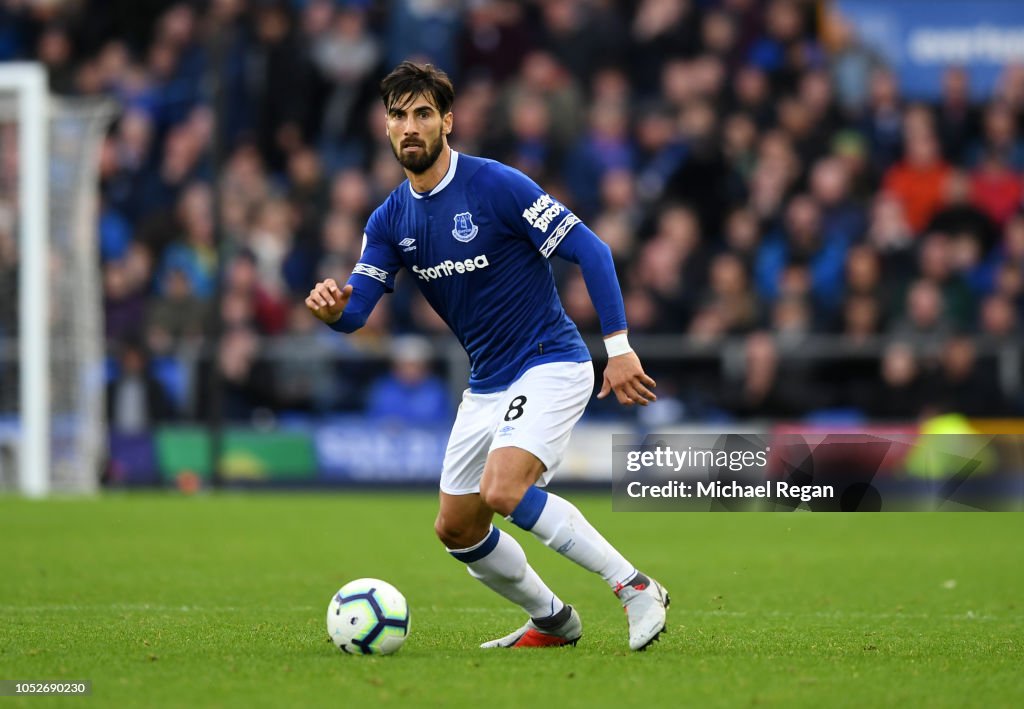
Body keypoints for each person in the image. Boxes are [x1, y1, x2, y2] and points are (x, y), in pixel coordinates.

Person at [306, 62, 669, 651]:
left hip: (551, 359)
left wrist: (619, 348)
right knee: (457, 527)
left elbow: (594, 251)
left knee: (503, 490)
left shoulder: (496, 185)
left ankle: (635, 586)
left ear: (447, 121)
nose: (410, 127)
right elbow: (355, 312)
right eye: (398, 115)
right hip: (488, 383)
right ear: (386, 127)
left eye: (423, 113)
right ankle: (552, 620)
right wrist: (331, 312)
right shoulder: (389, 219)